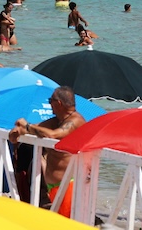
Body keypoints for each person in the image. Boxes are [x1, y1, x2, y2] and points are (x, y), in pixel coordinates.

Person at [9, 86, 88, 214]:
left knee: (65, 226)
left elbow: (51, 135)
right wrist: (17, 130)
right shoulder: (57, 120)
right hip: (54, 185)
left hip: (69, 184)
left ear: (59, 103)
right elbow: (36, 128)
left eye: (50, 100)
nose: (49, 104)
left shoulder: (75, 121)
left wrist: (27, 127)